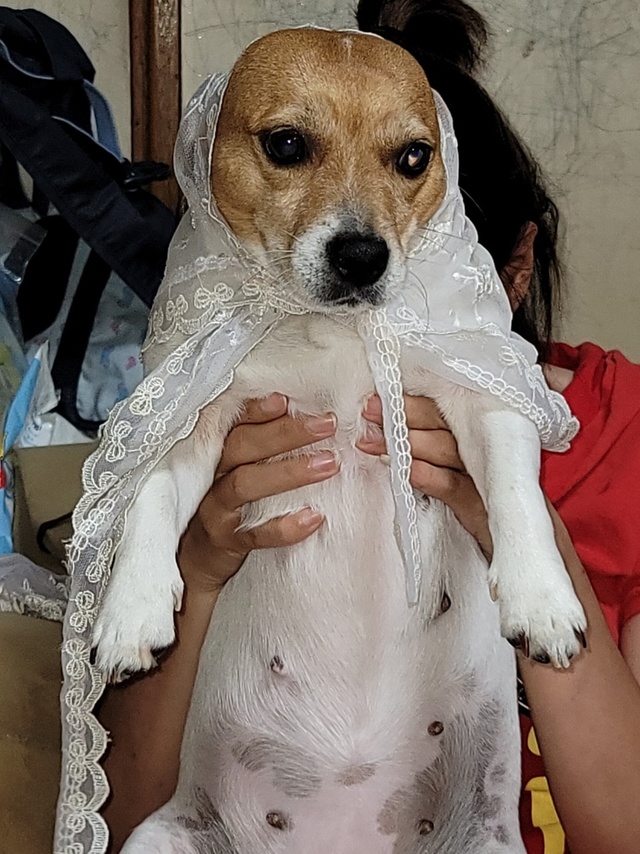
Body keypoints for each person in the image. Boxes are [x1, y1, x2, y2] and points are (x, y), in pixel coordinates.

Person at [98, 2, 640, 852]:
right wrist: (190, 567)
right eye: (290, 146)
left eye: (406, 163)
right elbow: (117, 810)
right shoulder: (227, 363)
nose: (362, 238)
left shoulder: (618, 438)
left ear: (511, 263)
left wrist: (518, 531)